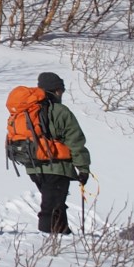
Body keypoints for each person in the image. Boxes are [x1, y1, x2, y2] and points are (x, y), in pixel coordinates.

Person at [24, 70, 91, 235]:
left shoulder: (28, 110)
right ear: (55, 90)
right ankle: (46, 239)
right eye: (61, 90)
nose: (62, 94)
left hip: (33, 166)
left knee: (56, 202)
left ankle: (63, 234)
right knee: (51, 206)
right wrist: (83, 169)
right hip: (56, 166)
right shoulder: (60, 111)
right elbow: (75, 140)